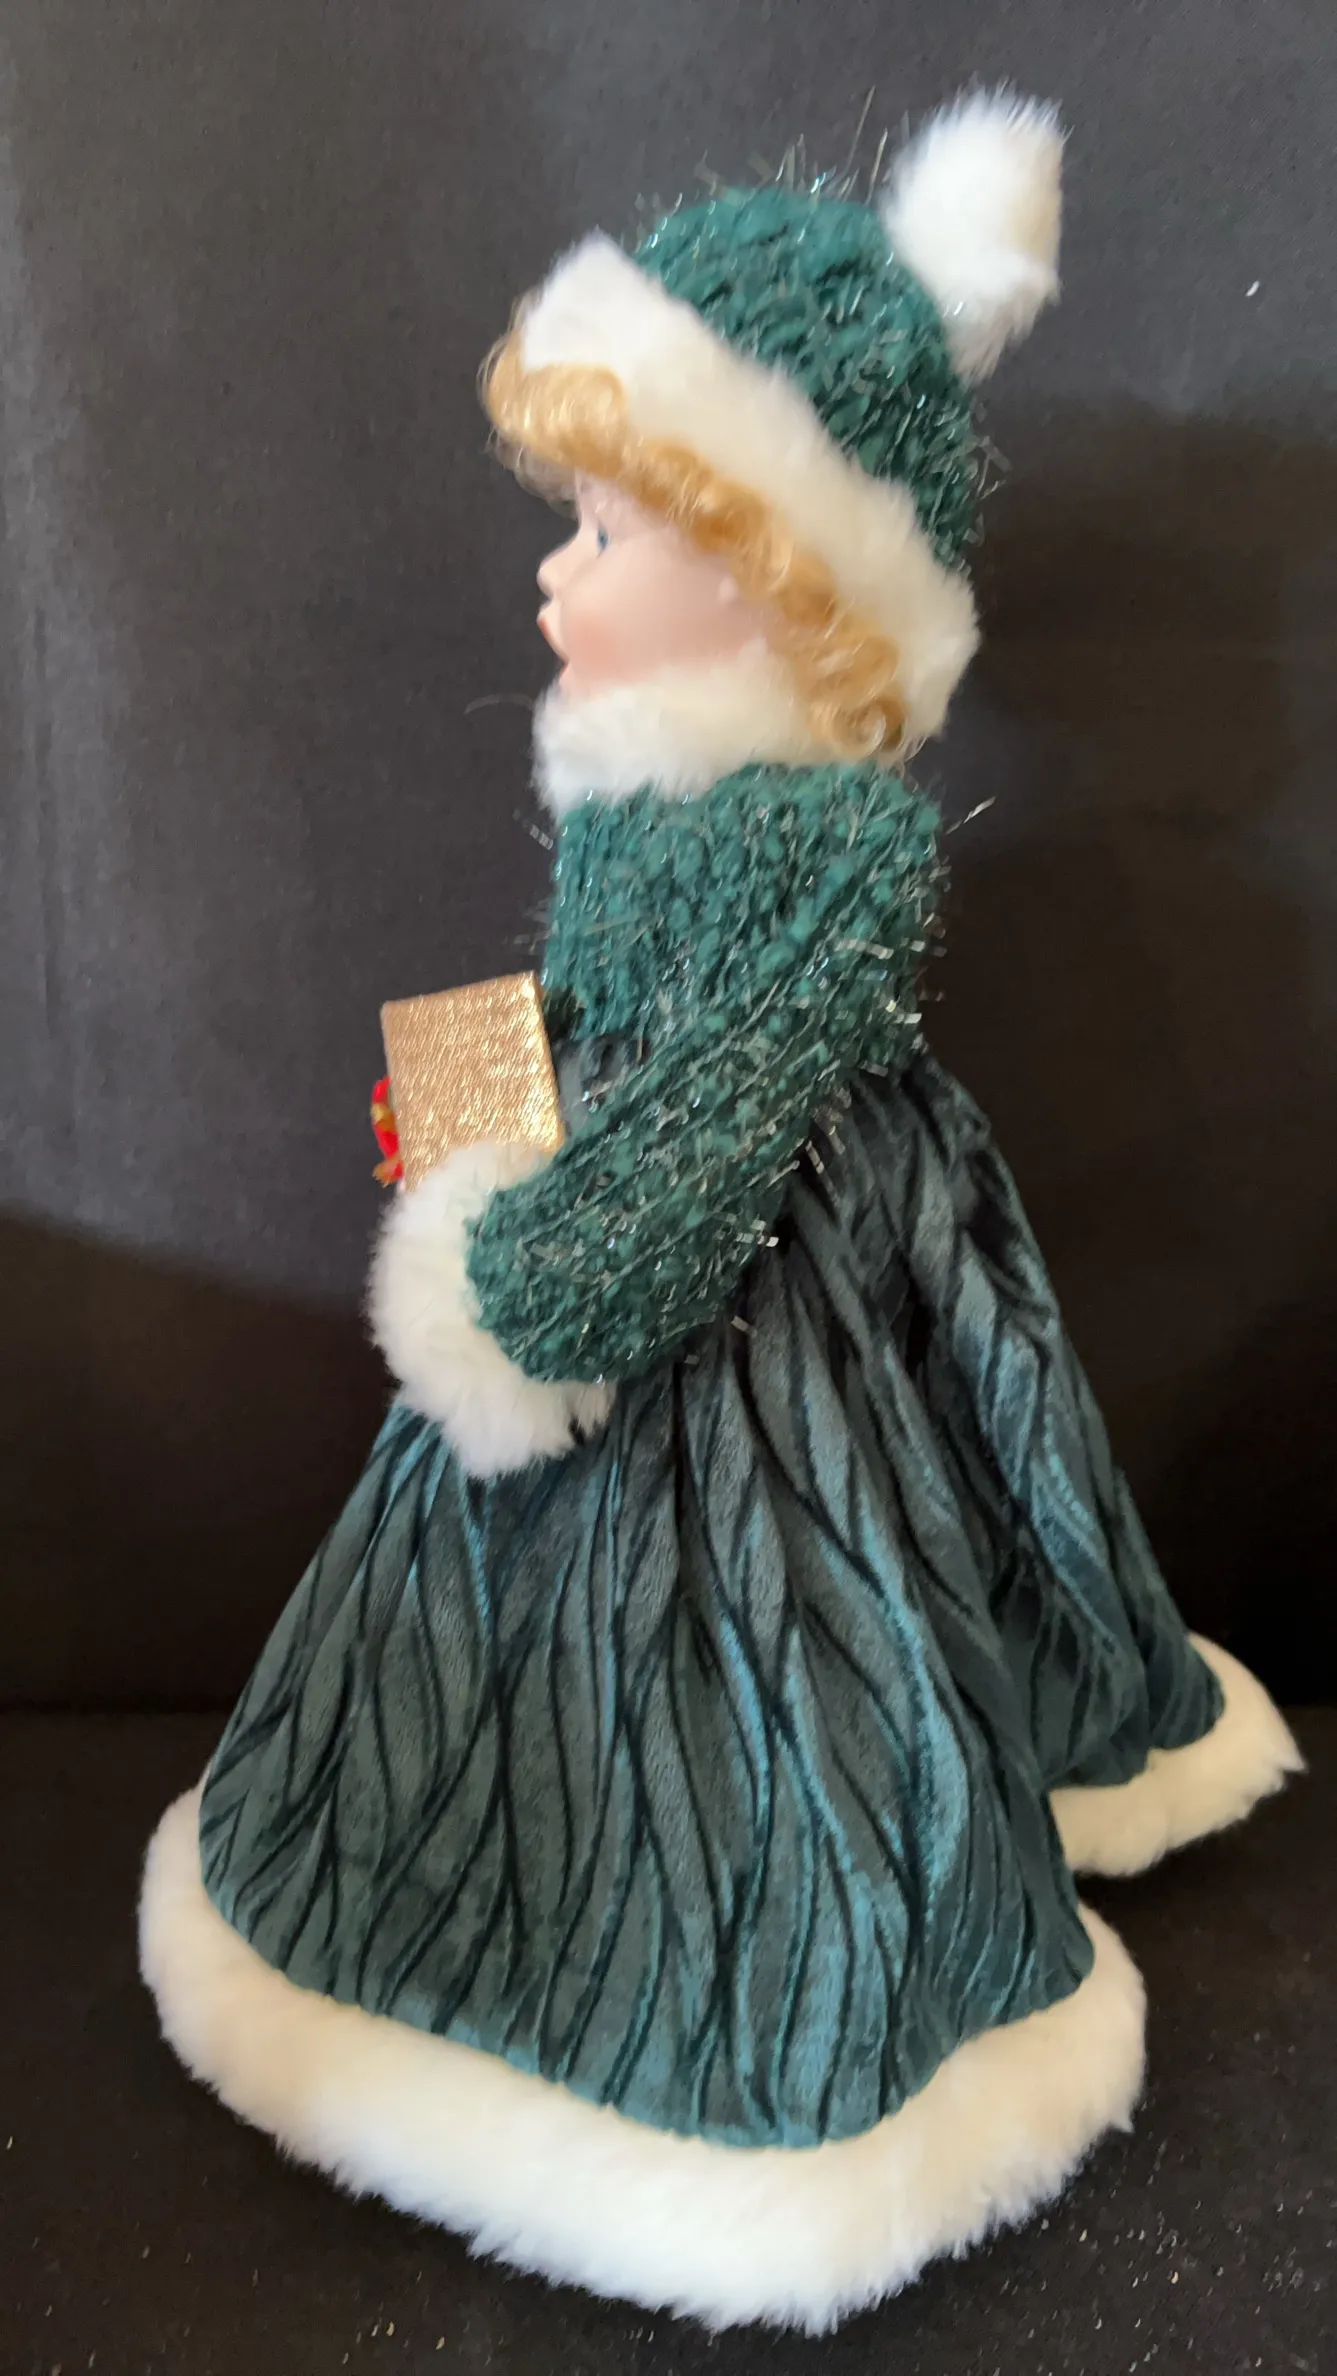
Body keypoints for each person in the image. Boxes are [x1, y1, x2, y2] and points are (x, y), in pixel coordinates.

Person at [140, 92, 1300, 2333]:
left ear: (780, 561)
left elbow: (725, 1111)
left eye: (607, 523)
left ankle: (751, 1992)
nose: (553, 572)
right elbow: (581, 1002)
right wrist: (458, 1111)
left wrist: (530, 1287)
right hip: (593, 1203)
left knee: (790, 1609)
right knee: (477, 1611)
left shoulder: (843, 853)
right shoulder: (629, 784)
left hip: (746, 1275)